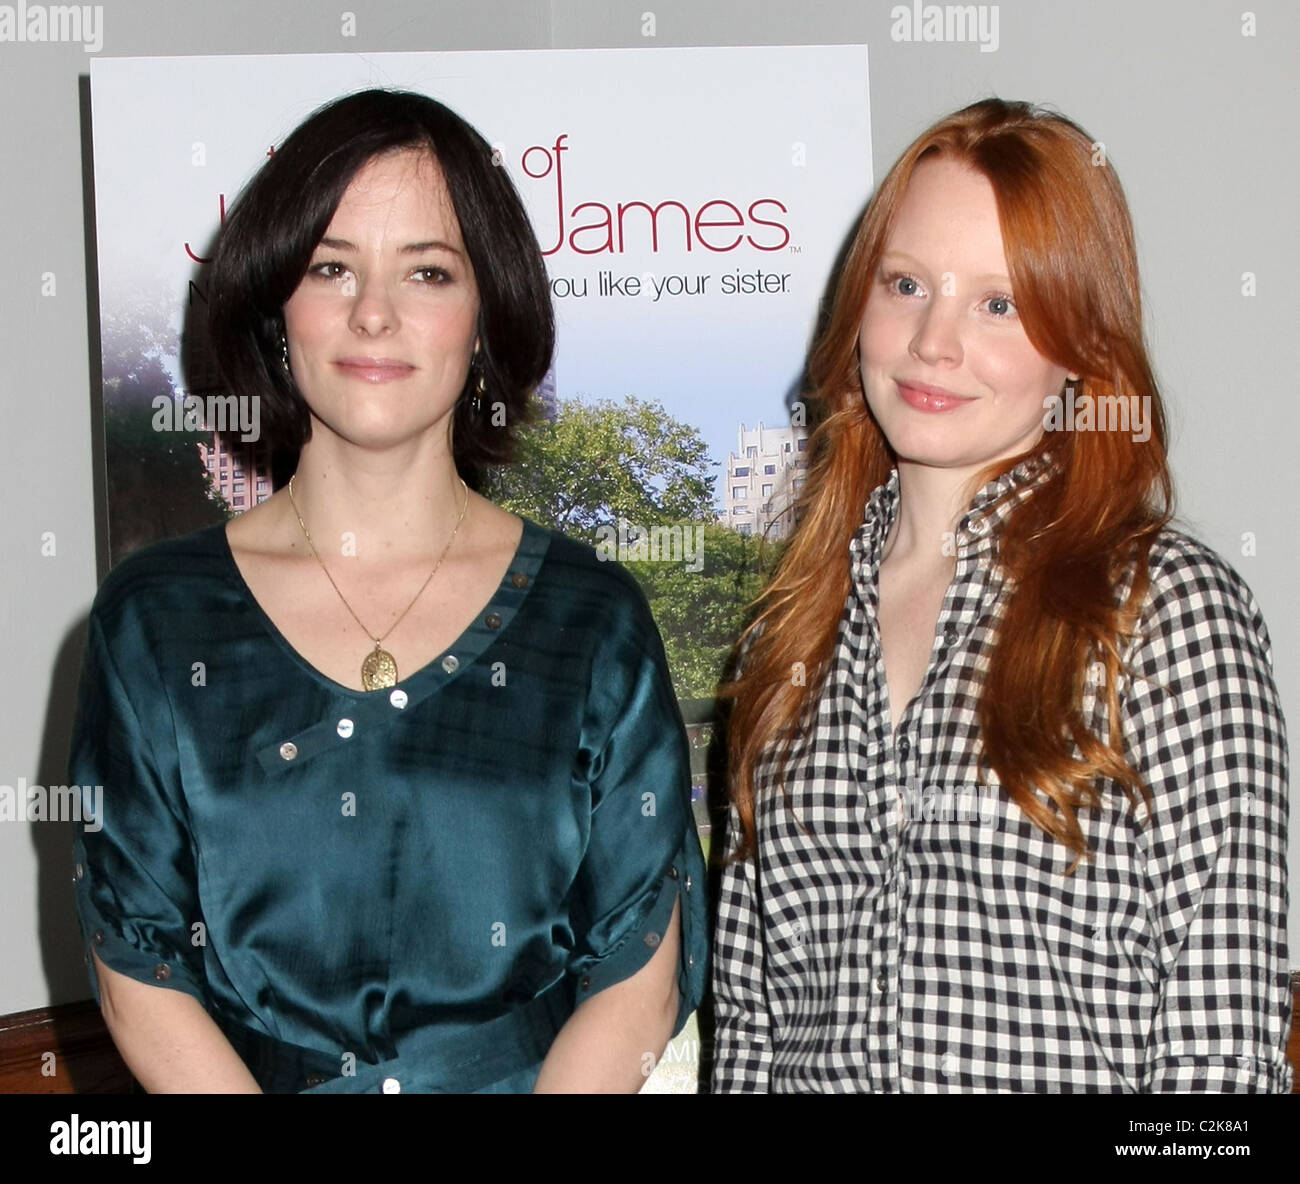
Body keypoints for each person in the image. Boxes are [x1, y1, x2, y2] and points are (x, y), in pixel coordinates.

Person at [70, 88, 706, 1094]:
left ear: (486, 313)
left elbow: (637, 962)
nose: (374, 312)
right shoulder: (154, 620)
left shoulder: (591, 621)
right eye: (331, 267)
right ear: (275, 305)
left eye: (427, 269)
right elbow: (137, 953)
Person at [711, 98, 1291, 1093]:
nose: (933, 342)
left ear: (1078, 344)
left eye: (998, 304)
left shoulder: (1165, 611)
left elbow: (1220, 1051)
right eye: (906, 285)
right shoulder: (786, 633)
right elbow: (749, 1030)